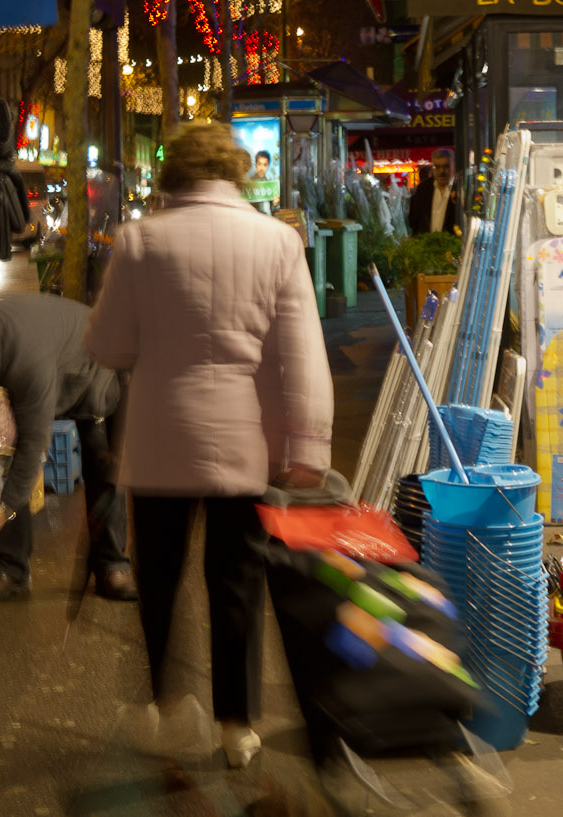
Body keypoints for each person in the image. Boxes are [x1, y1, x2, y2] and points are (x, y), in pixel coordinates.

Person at [87, 121, 333, 769]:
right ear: (235, 172)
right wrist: (308, 445)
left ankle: (166, 708)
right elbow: (301, 354)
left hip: (161, 439)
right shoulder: (278, 241)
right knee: (236, 581)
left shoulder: (139, 242)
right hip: (246, 440)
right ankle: (236, 726)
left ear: (171, 174)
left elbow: (108, 346)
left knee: (161, 577)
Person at [0, 295, 138, 603]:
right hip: (45, 352)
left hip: (92, 370)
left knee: (103, 464)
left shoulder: (29, 364)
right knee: (0, 450)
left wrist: (4, 509)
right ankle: (12, 569)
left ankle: (112, 565)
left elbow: (34, 445)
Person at [406, 147, 462, 236]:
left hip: (454, 247)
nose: (441, 171)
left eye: (446, 166)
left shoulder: (460, 188)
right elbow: (413, 221)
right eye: (437, 167)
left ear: (454, 166)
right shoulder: (423, 189)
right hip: (427, 246)